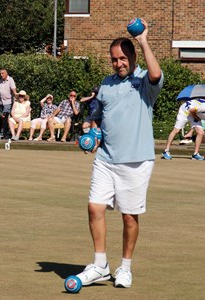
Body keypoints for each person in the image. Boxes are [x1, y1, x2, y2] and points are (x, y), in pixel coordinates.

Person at [76, 20, 163, 289]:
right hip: (105, 158)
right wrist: (91, 130)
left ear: (133, 57)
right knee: (94, 207)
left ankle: (125, 267)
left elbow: (156, 74)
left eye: (123, 58)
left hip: (136, 161)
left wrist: (144, 40)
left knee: (129, 216)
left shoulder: (144, 83)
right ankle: (100, 265)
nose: (118, 63)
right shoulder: (106, 83)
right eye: (114, 59)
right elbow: (97, 115)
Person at [0, 68, 17, 139]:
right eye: (0, 73)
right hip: (1, 102)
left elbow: (14, 91)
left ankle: (5, 133)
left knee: (5, 116)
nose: (1, 75)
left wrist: (17, 98)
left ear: (6, 73)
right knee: (3, 117)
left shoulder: (10, 80)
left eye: (3, 73)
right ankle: (4, 132)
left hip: (8, 101)